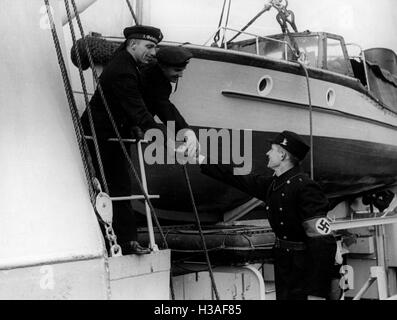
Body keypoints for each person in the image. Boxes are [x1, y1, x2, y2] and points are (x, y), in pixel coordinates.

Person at [81, 26, 198, 254]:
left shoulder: (137, 66)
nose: (154, 52)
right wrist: (168, 142)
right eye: (149, 46)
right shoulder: (122, 70)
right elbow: (140, 112)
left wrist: (186, 131)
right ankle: (109, 243)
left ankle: (126, 242)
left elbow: (162, 106)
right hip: (99, 135)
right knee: (105, 189)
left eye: (155, 47)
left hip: (117, 134)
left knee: (121, 186)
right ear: (132, 44)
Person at [200, 130, 340, 300]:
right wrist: (200, 159)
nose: (267, 153)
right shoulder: (273, 185)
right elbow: (237, 177)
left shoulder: (305, 188)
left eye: (272, 149)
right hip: (284, 263)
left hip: (304, 268)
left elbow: (322, 242)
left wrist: (316, 292)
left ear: (282, 155)